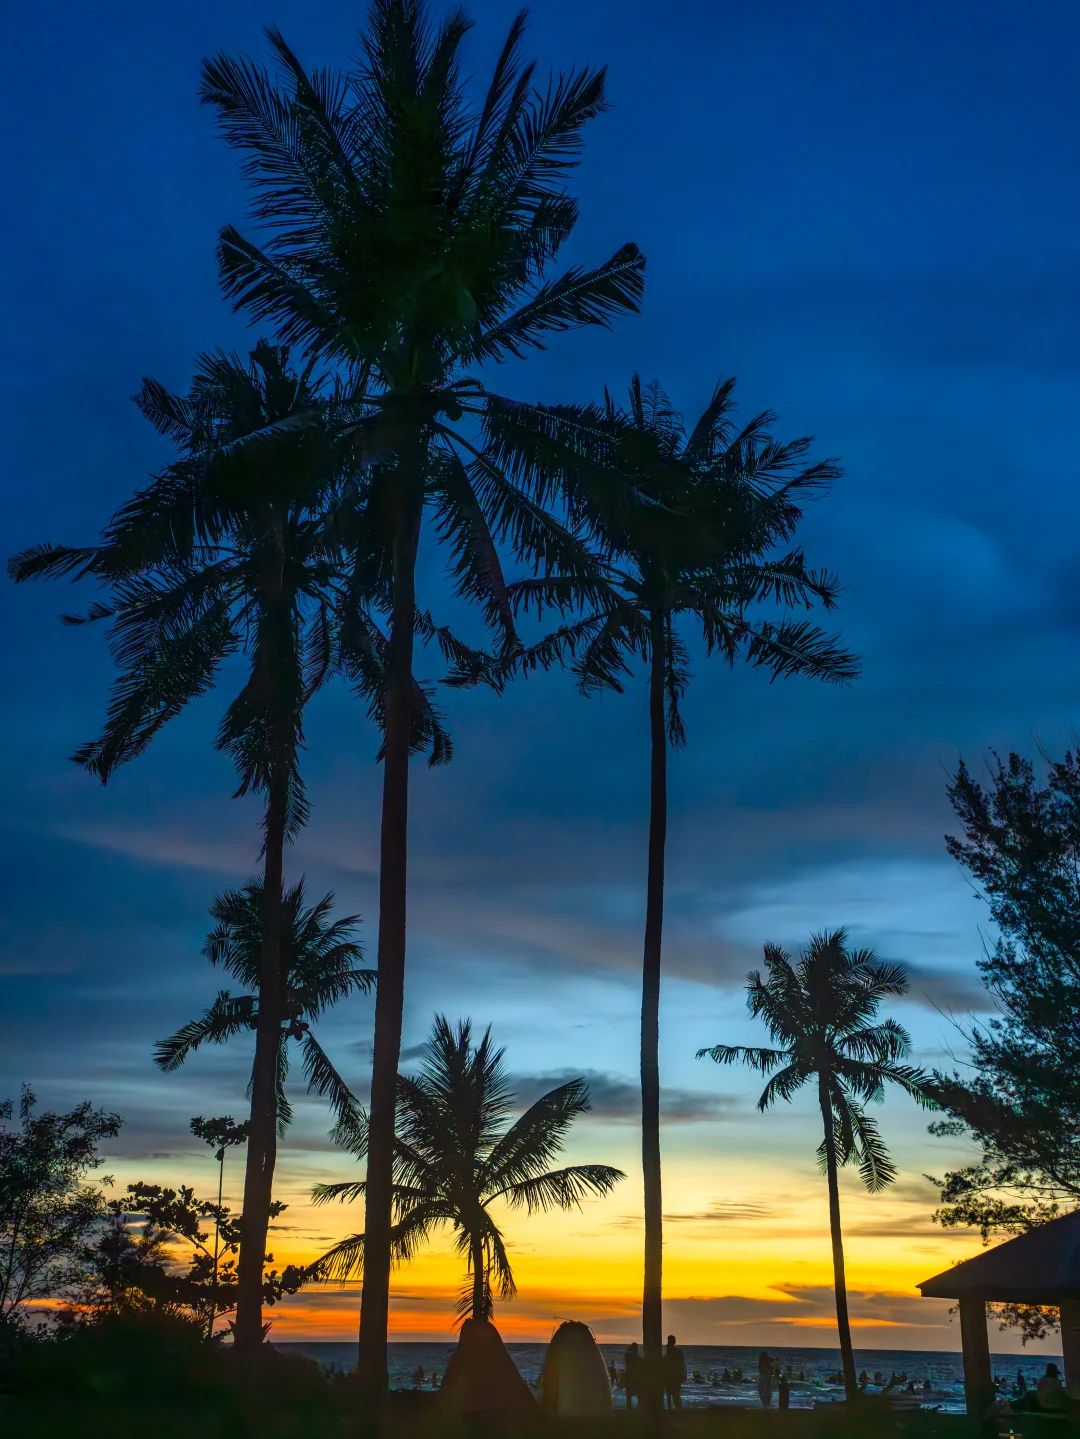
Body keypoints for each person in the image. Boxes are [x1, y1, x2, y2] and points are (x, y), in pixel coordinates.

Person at [664, 1335, 687, 1410]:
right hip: (673, 1376)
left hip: (673, 1376)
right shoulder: (675, 1351)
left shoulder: (673, 1352)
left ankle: (675, 1409)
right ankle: (676, 1409)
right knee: (674, 1394)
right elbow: (682, 1364)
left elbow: (681, 1364)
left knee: (673, 1395)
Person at [624, 1343, 641, 1409]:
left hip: (629, 1378)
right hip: (636, 1379)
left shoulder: (627, 1356)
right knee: (639, 1395)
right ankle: (638, 1409)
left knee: (629, 1396)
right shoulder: (637, 1357)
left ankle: (629, 1410)